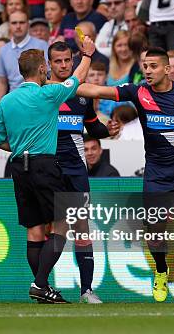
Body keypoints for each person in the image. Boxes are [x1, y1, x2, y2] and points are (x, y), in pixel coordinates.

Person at [75, 47, 174, 304]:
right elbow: (92, 90)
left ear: (167, 69)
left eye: (153, 66)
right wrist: (55, 86)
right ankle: (161, 271)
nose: (147, 71)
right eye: (145, 66)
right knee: (156, 233)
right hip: (156, 174)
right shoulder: (138, 91)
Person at [0, 35, 95, 303]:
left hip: (18, 165)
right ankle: (39, 283)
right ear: (41, 69)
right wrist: (88, 55)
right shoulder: (49, 93)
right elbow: (77, 79)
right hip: (43, 164)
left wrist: (20, 145)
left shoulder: (7, 101)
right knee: (62, 222)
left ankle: (43, 289)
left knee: (35, 229)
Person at [48, 41, 115, 303]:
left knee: (81, 228)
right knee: (50, 230)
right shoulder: (43, 93)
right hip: (49, 169)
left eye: (67, 61)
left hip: (76, 169)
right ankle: (42, 283)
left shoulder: (82, 95)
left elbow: (92, 126)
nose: (64, 65)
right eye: (58, 61)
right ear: (49, 64)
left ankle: (86, 290)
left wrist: (107, 130)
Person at [0, 10, 48, 102]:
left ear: (28, 24)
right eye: (14, 23)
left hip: (38, 99)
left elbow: (48, 75)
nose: (18, 26)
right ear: (9, 25)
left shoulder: (42, 45)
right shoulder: (3, 50)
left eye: (22, 22)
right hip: (14, 101)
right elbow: (2, 82)